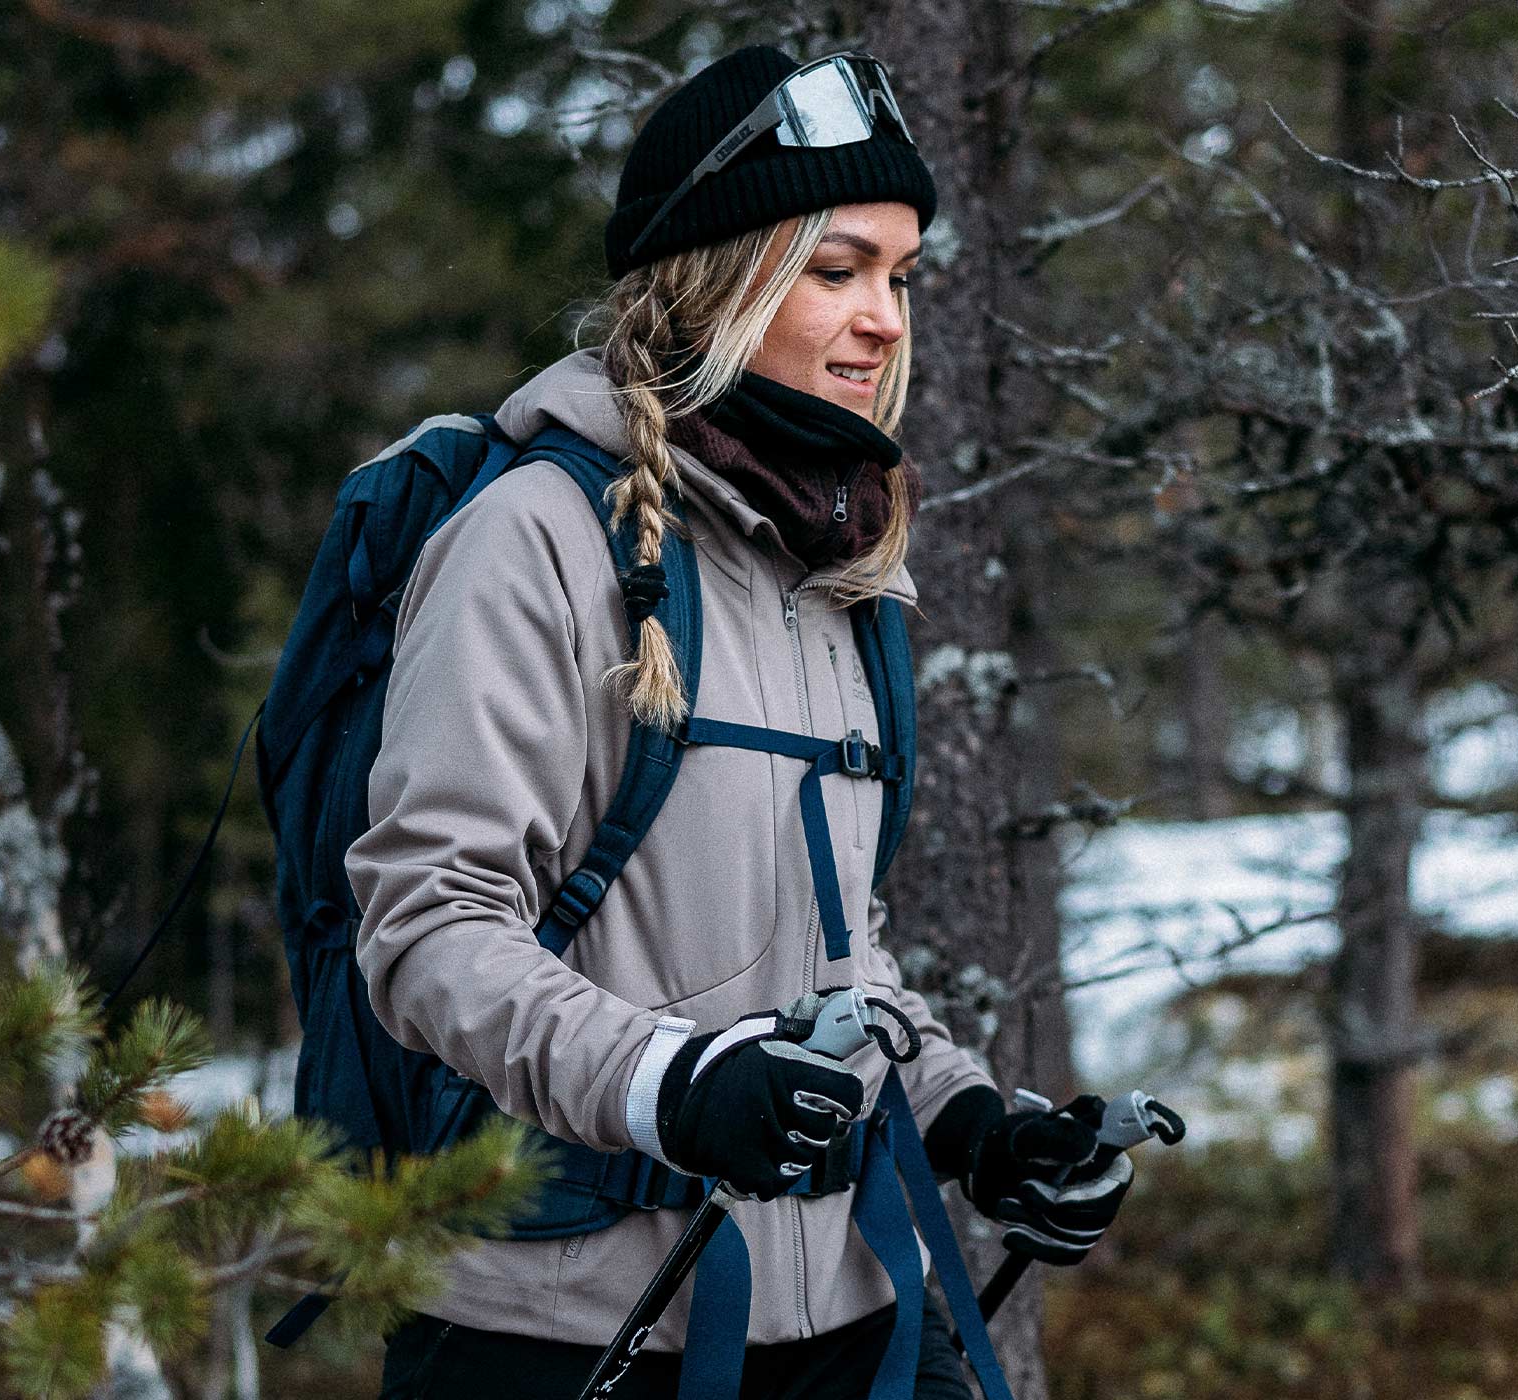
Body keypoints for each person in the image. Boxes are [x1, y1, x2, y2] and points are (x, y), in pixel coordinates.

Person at [349, 43, 1131, 1400]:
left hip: (840, 1303)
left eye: (900, 276)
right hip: (566, 1324)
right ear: (717, 279)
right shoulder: (536, 539)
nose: (884, 317)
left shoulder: (828, 563)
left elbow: (831, 949)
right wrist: (675, 1082)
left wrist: (970, 1125)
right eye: (836, 271)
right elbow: (428, 921)